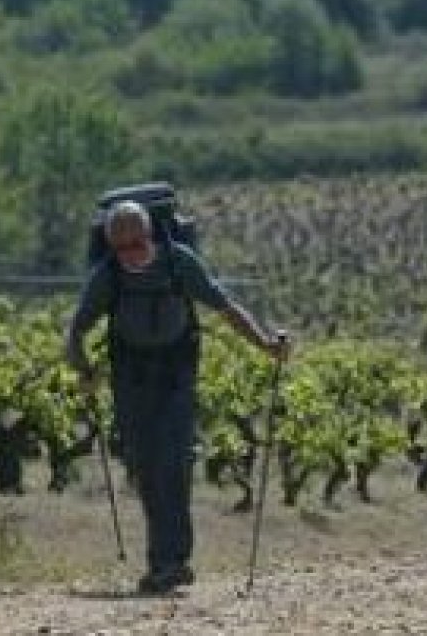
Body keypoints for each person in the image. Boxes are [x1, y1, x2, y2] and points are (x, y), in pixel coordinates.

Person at [66, 200, 289, 594]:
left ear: (150, 235)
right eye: (121, 249)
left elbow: (225, 307)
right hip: (130, 381)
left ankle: (170, 562)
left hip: (175, 377)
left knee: (173, 462)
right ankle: (165, 561)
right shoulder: (108, 276)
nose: (131, 255)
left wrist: (266, 344)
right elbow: (76, 331)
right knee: (145, 467)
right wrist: (84, 371)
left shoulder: (180, 263)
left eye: (137, 245)